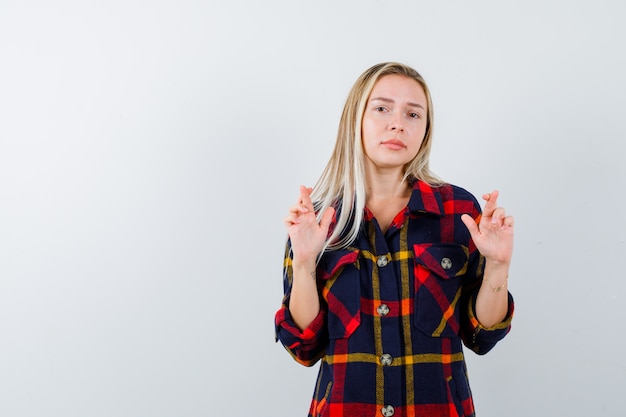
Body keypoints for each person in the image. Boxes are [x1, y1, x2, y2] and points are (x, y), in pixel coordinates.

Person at [274, 62, 515, 417]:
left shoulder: (457, 210)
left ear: (425, 130)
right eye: (382, 108)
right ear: (355, 118)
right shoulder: (319, 219)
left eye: (413, 114)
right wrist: (306, 263)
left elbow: (481, 338)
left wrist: (498, 266)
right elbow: (304, 348)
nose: (398, 123)